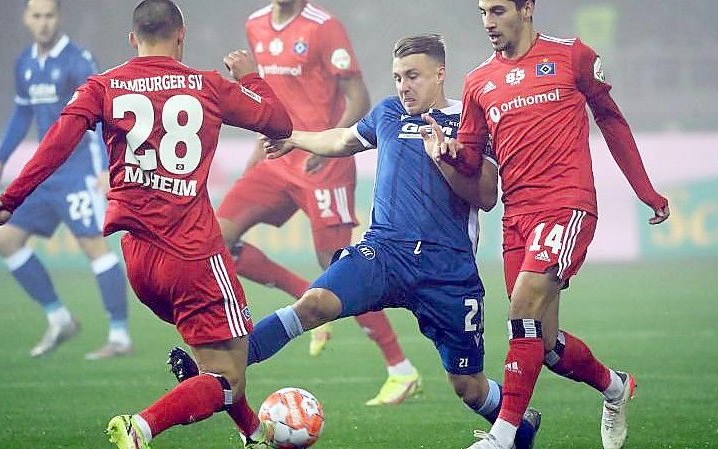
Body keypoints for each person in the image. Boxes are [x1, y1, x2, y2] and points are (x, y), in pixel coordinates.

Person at [0, 1, 293, 448]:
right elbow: (280, 122)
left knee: (216, 365)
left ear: (132, 39)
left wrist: (11, 200)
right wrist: (251, 76)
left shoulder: (102, 86)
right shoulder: (207, 85)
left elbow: (55, 145)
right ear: (182, 35)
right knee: (229, 381)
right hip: (194, 255)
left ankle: (255, 434)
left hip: (141, 263)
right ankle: (141, 428)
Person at [253, 34, 541, 448]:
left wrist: (443, 157)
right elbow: (342, 140)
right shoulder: (388, 113)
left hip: (448, 269)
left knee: (469, 388)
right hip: (384, 253)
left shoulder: (472, 121)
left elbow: (486, 196)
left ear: (440, 74)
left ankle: (519, 425)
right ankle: (226, 366)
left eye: (413, 76)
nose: (403, 86)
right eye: (397, 77)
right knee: (314, 303)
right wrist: (295, 138)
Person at [428, 1, 670, 448]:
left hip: (567, 206)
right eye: (482, 12)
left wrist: (645, 190)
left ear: (526, 8)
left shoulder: (572, 56)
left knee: (521, 310)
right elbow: (471, 157)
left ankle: (503, 435)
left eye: (498, 10)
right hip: (516, 218)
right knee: (546, 344)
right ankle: (616, 388)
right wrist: (446, 152)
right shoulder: (478, 82)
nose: (487, 22)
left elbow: (611, 120)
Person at [214, 0, 421, 405]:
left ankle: (401, 369)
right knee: (216, 239)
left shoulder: (323, 26)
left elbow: (358, 97)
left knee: (341, 268)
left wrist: (330, 145)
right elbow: (272, 100)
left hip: (322, 162)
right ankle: (305, 294)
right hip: (277, 157)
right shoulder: (255, 24)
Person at [0, 0, 132, 359]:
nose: (43, 23)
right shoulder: (25, 63)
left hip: (79, 170)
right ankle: (59, 317)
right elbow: (22, 113)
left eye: (49, 15)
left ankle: (119, 335)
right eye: (36, 16)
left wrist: (105, 168)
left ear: (59, 18)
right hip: (45, 175)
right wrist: (1, 158)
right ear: (26, 19)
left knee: (93, 246)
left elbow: (103, 114)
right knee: (6, 242)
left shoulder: (78, 60)